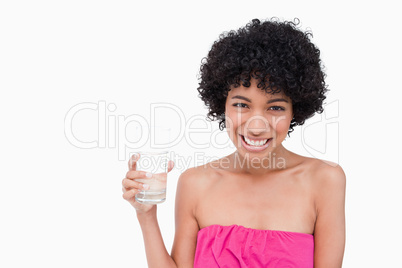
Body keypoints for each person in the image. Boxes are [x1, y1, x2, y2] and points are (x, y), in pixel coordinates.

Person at [122, 18, 346, 268]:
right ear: (222, 106)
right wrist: (146, 215)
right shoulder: (195, 183)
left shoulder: (325, 180)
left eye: (275, 107)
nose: (256, 126)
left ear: (296, 110)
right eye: (241, 105)